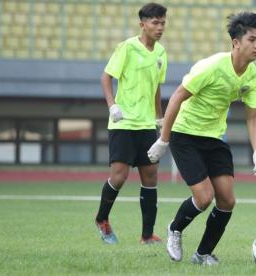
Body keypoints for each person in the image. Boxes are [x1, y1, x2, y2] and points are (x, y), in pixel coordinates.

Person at [147, 12, 256, 265]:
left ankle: (202, 254)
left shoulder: (254, 75)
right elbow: (178, 96)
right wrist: (163, 140)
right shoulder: (212, 66)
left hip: (214, 137)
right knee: (204, 198)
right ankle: (175, 228)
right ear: (236, 42)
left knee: (227, 200)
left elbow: (252, 117)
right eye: (252, 40)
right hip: (185, 134)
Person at [94, 3, 167, 245]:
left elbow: (157, 87)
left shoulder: (161, 54)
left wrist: (159, 117)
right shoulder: (126, 47)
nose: (160, 27)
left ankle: (147, 236)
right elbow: (106, 77)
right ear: (142, 24)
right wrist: (112, 105)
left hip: (146, 125)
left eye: (163, 22)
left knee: (151, 176)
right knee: (119, 176)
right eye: (155, 22)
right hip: (123, 123)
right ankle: (102, 220)